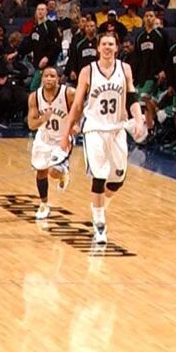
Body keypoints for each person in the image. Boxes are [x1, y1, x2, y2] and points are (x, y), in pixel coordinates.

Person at [60, 29, 136, 247]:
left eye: (111, 44)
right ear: (98, 47)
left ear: (117, 47)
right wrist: (66, 133)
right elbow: (77, 105)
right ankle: (100, 225)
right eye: (104, 44)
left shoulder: (125, 69)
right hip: (94, 129)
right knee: (99, 177)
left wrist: (138, 119)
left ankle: (100, 207)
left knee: (118, 179)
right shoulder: (88, 71)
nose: (108, 47)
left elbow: (132, 97)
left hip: (117, 129)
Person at [26, 65, 73, 220]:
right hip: (44, 137)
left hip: (62, 138)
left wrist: (76, 125)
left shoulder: (68, 93)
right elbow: (31, 125)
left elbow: (79, 109)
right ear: (42, 78)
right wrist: (43, 119)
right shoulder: (35, 97)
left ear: (58, 79)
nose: (49, 79)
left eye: (52, 76)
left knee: (53, 171)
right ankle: (44, 204)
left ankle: (63, 172)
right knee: (41, 171)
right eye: (46, 76)